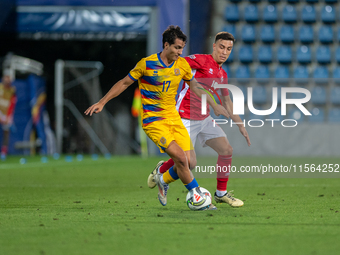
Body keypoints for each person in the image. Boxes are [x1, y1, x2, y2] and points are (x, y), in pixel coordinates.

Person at [85, 25, 229, 208]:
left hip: (174, 118)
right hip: (154, 121)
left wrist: (214, 104)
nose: (180, 52)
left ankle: (162, 178)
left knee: (191, 162)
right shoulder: (146, 64)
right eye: (177, 48)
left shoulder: (182, 65)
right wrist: (102, 102)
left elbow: (195, 87)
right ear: (166, 45)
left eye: (182, 48)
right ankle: (198, 196)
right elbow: (124, 83)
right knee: (181, 158)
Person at [147, 32, 251, 207]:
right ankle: (163, 174)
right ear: (214, 46)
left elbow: (226, 101)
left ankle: (221, 193)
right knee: (189, 163)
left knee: (226, 150)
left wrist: (240, 125)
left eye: (229, 49)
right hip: (184, 116)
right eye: (222, 47)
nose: (224, 52)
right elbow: (177, 61)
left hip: (204, 118)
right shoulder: (201, 60)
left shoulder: (222, 74)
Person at [0, 71, 17, 160]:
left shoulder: (12, 90)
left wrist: (8, 117)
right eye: (5, 79)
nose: (7, 81)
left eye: (8, 80)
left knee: (6, 133)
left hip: (6, 115)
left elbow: (12, 103)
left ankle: (3, 152)